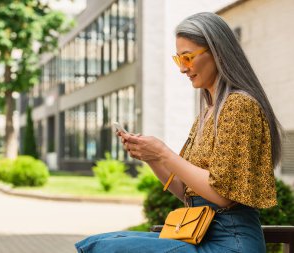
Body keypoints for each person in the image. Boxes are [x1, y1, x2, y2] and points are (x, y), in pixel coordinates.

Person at [75, 12, 282, 253]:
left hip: (230, 243)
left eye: (188, 57)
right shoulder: (207, 113)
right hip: (200, 233)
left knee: (105, 249)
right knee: (98, 243)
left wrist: (163, 153)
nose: (183, 69)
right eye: (179, 59)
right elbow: (186, 191)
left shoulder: (239, 106)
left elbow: (224, 196)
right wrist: (152, 158)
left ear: (217, 52)